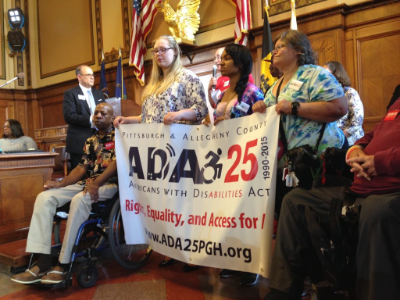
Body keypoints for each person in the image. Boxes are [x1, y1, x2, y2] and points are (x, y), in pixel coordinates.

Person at [264, 94, 400, 300]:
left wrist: (380, 162)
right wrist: (355, 151)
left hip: (390, 190)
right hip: (359, 187)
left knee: (374, 212)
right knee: (296, 200)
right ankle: (281, 291)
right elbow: (369, 137)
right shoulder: (396, 104)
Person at [114, 35, 208, 272]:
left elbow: (201, 110)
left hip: (181, 149)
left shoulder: (188, 78)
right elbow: (150, 118)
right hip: (156, 154)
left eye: (162, 50)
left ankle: (192, 253)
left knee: (185, 203)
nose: (157, 54)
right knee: (167, 203)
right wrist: (129, 120)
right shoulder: (154, 83)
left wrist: (179, 115)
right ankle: (173, 250)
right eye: (154, 51)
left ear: (174, 51)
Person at [11, 103, 118, 285]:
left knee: (79, 199)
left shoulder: (120, 136)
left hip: (110, 184)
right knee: (45, 197)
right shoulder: (90, 140)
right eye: (96, 113)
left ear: (112, 117)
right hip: (88, 183)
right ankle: (43, 261)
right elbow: (81, 168)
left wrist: (96, 183)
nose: (98, 115)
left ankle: (63, 264)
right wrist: (60, 183)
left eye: (103, 113)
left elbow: (118, 163)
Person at [252, 30, 348, 215]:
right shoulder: (274, 87)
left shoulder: (315, 74)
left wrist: (295, 107)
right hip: (290, 165)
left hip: (321, 161)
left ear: (297, 50)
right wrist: (260, 109)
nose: (274, 52)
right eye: (274, 48)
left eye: (280, 47)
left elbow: (339, 108)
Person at [205, 44, 264, 285]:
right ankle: (236, 260)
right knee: (228, 213)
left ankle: (252, 265)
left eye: (227, 59)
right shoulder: (223, 92)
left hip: (245, 162)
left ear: (239, 65)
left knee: (245, 212)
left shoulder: (252, 92)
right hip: (224, 160)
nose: (221, 62)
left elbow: (261, 125)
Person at [63, 65, 105, 169]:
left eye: (92, 75)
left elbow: (105, 112)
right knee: (80, 177)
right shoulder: (71, 93)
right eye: (88, 75)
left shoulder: (98, 93)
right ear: (79, 77)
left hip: (99, 140)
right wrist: (91, 119)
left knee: (98, 174)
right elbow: (69, 116)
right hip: (79, 142)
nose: (92, 77)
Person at [324, 61, 364, 146]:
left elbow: (357, 121)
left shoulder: (349, 93)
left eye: (325, 73)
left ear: (336, 75)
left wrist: (340, 137)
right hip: (331, 143)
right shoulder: (324, 96)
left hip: (351, 142)